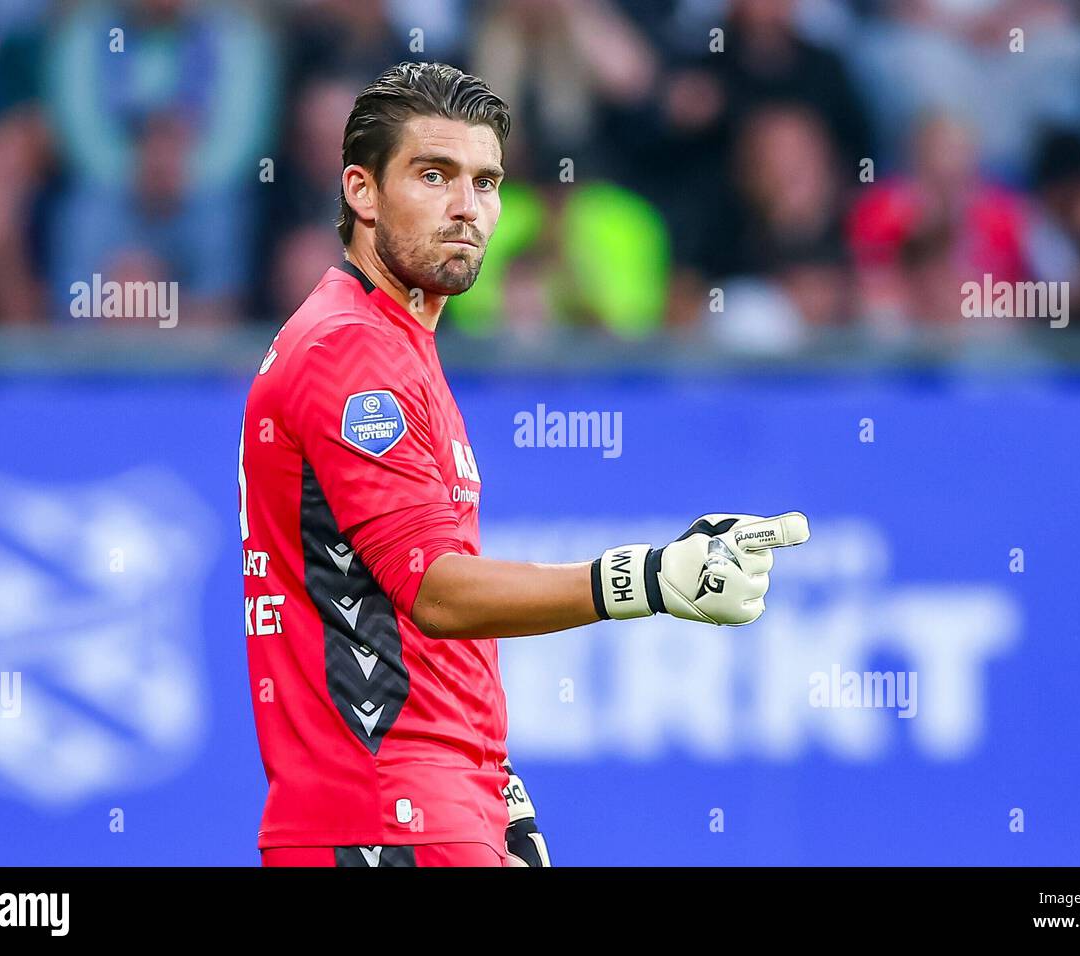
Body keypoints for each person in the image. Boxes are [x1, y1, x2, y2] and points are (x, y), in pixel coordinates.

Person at [238, 61, 810, 868]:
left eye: (486, 181)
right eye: (433, 176)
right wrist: (643, 579)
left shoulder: (394, 343)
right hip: (385, 821)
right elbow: (434, 589)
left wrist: (496, 789)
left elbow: (407, 616)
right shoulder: (352, 355)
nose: (468, 207)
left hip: (423, 807)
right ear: (361, 192)